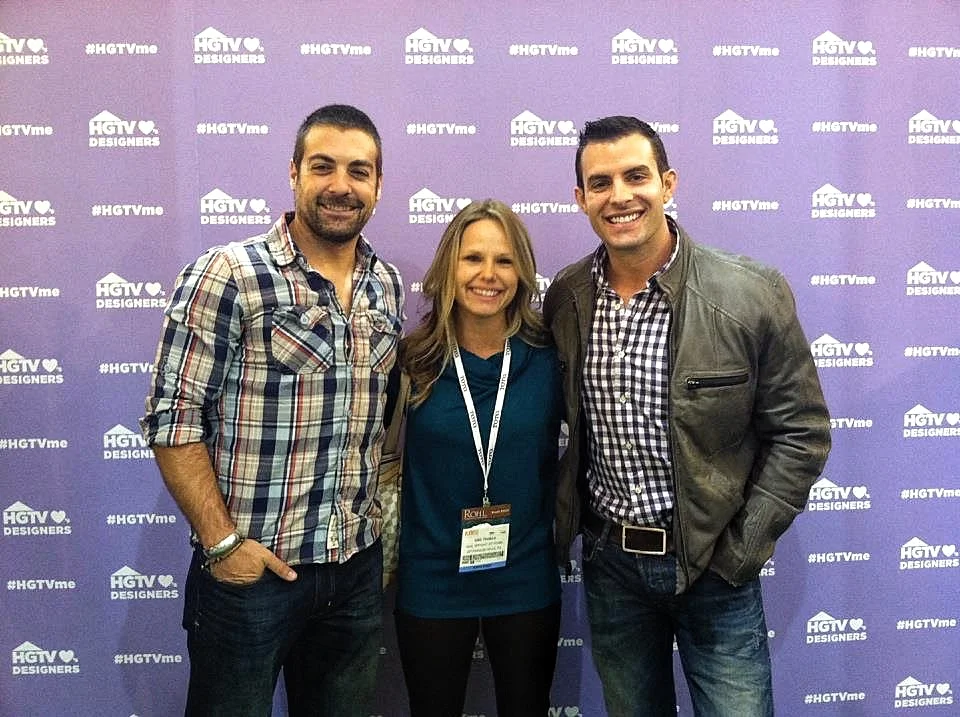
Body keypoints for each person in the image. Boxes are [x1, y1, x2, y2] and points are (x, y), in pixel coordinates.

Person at [543, 116, 831, 717]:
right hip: (611, 568)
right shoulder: (567, 297)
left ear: (668, 183)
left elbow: (801, 432)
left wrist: (740, 550)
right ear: (581, 198)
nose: (620, 196)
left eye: (636, 176)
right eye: (601, 183)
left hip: (714, 570)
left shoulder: (749, 292)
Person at [139, 104, 404, 717]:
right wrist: (223, 544)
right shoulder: (230, 273)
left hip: (355, 570)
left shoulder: (386, 284)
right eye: (323, 167)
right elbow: (171, 418)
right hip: (251, 576)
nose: (342, 185)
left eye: (359, 171)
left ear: (379, 185)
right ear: (293, 173)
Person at [395, 199, 563, 717]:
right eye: (473, 259)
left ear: (523, 273)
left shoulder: (549, 359)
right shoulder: (411, 361)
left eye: (505, 260)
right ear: (450, 266)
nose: (488, 275)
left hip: (525, 577)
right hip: (432, 578)